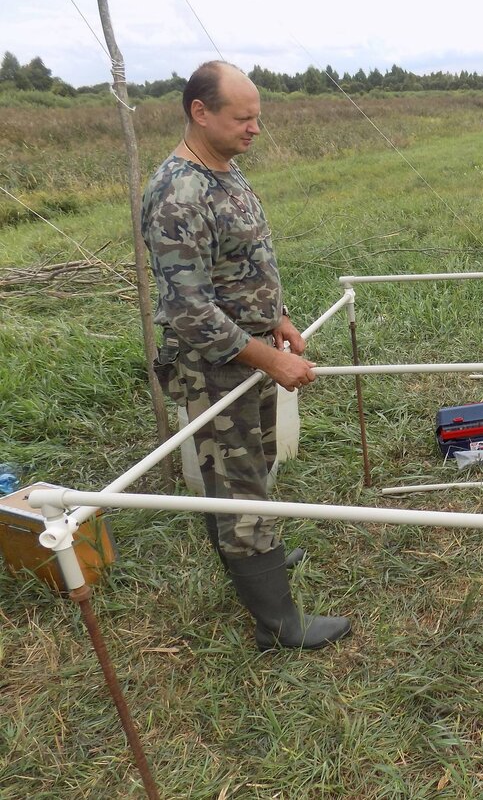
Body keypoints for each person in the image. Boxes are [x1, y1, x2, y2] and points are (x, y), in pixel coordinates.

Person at [141, 60, 350, 650]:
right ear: (199, 112)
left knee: (246, 466)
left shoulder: (225, 171)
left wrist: (274, 320)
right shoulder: (177, 193)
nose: (255, 128)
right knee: (237, 484)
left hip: (247, 353)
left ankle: (253, 553)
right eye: (243, 117)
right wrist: (267, 356)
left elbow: (239, 267)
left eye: (258, 117)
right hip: (213, 364)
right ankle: (277, 623)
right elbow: (190, 308)